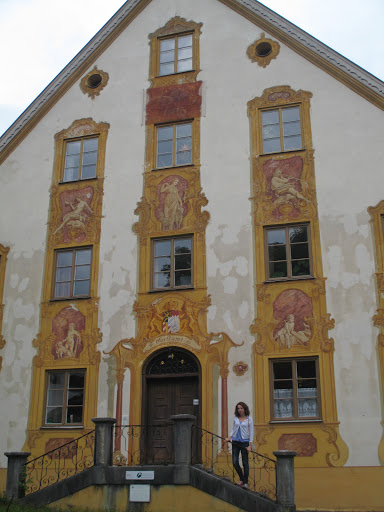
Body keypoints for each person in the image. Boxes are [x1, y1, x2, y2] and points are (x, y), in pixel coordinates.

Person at [226, 402, 254, 489]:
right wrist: (229, 437)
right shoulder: (236, 419)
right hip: (235, 441)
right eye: (238, 408)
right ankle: (241, 479)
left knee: (245, 462)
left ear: (245, 409)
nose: (240, 410)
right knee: (235, 462)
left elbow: (251, 432)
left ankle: (245, 482)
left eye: (241, 408)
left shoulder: (249, 419)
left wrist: (250, 445)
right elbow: (233, 429)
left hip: (245, 442)